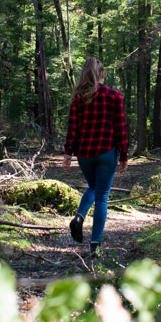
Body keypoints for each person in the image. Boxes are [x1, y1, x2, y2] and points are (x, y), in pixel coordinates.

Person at [63, 57, 128, 256]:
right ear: (102, 74)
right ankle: (95, 246)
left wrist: (68, 154)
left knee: (93, 187)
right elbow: (120, 128)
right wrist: (124, 155)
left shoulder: (79, 98)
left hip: (85, 155)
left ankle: (79, 217)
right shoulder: (114, 96)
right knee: (101, 197)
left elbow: (72, 128)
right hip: (107, 153)